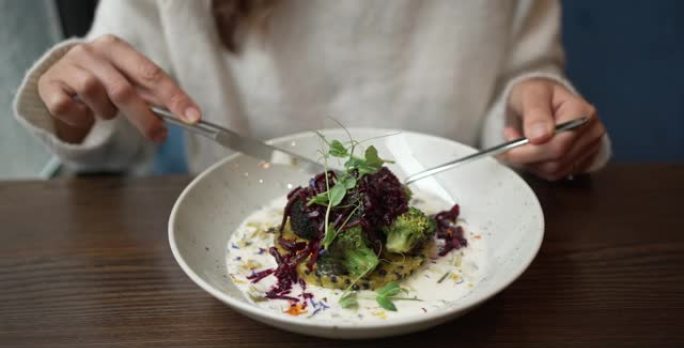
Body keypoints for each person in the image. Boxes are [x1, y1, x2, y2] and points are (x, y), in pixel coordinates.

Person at [13, 0, 610, 180]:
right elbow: (116, 129)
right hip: (231, 276)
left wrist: (533, 104)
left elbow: (520, 83)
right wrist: (74, 105)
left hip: (455, 250)